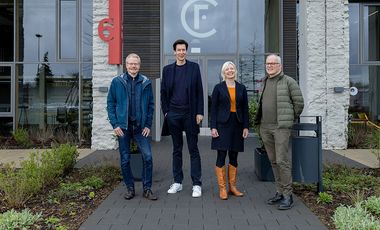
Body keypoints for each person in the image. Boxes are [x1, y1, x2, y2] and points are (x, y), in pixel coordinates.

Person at [254, 54, 304, 210]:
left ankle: (288, 195)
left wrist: (288, 119)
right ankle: (280, 192)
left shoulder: (289, 81)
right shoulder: (265, 82)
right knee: (273, 161)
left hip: (280, 127)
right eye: (268, 63)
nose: (269, 66)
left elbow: (299, 103)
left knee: (282, 161)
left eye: (273, 63)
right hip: (265, 127)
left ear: (280, 65)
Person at [107, 53, 157, 201]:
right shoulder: (117, 82)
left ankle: (147, 189)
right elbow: (110, 104)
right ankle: (130, 188)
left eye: (136, 64)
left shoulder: (146, 82)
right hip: (123, 128)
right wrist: (115, 124)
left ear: (139, 65)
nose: (133, 66)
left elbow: (150, 106)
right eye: (130, 64)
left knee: (147, 157)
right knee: (125, 159)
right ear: (126, 65)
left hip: (140, 128)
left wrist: (148, 125)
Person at [161, 39, 204, 198]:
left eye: (183, 49)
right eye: (178, 50)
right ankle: (178, 182)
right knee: (176, 149)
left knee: (193, 149)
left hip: (190, 114)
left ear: (186, 51)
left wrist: (200, 112)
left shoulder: (194, 68)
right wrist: (166, 112)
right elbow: (163, 93)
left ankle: (197, 184)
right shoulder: (167, 70)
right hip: (173, 115)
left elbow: (200, 91)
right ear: (174, 52)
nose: (181, 52)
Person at [210, 61, 249, 200]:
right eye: (227, 69)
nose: (230, 71)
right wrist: (213, 127)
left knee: (234, 156)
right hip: (222, 125)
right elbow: (213, 109)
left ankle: (232, 187)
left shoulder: (242, 88)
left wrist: (246, 126)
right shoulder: (218, 88)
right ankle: (222, 188)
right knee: (221, 155)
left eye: (232, 68)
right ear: (223, 72)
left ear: (235, 71)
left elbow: (245, 109)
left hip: (237, 124)